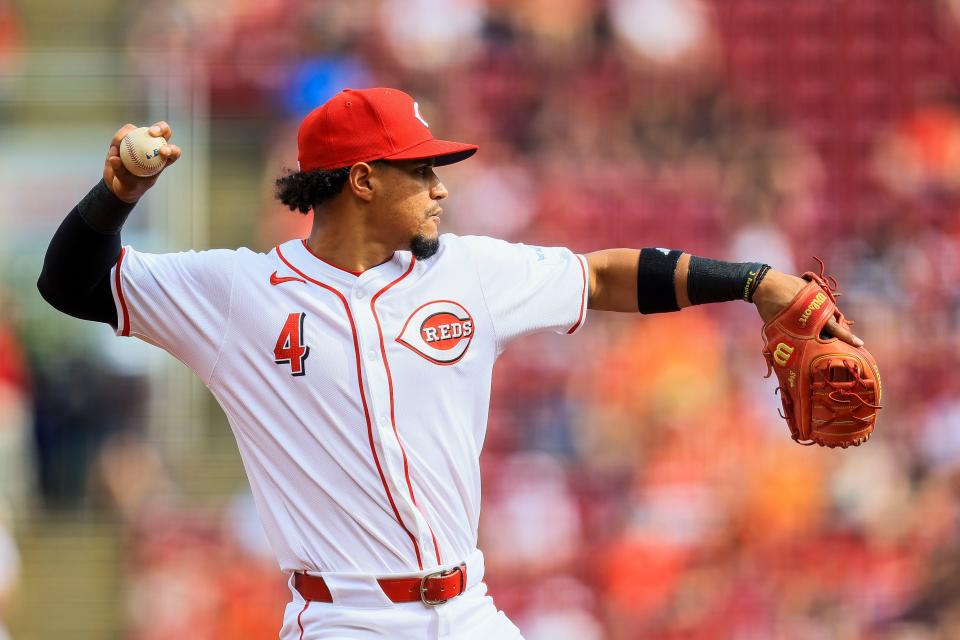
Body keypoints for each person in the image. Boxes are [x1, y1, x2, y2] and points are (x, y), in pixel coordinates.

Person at [37, 87, 862, 639]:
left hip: (468, 610)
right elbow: (72, 283)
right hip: (344, 620)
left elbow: (606, 274)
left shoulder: (467, 272)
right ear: (361, 180)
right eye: (420, 167)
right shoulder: (238, 294)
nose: (440, 185)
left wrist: (756, 283)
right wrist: (117, 192)